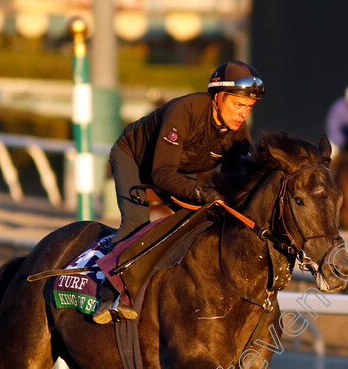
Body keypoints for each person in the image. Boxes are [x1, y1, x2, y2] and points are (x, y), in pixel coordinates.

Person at [96, 59, 263, 323]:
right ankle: (107, 294)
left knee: (200, 221)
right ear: (218, 98)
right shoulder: (185, 110)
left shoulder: (239, 134)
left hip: (175, 166)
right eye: (238, 104)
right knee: (137, 222)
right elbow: (161, 173)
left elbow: (234, 186)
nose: (243, 114)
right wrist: (201, 192)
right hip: (134, 158)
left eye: (249, 107)